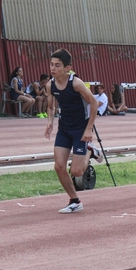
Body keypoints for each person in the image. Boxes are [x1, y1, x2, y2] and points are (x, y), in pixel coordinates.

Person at [43, 49, 102, 214]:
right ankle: (75, 201)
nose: (53, 69)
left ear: (67, 68)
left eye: (57, 66)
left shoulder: (76, 83)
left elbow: (94, 103)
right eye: (51, 65)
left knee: (76, 171)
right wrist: (50, 123)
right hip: (64, 129)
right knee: (59, 166)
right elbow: (50, 105)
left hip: (80, 130)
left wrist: (89, 128)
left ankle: (90, 150)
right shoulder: (50, 85)